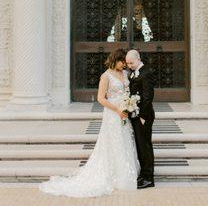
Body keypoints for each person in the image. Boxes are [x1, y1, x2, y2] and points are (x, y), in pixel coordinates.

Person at [39, 49, 140, 198]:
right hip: (113, 114)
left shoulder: (125, 74)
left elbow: (128, 91)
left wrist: (128, 105)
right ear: (115, 60)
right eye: (122, 62)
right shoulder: (106, 76)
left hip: (124, 112)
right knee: (114, 141)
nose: (124, 65)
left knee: (125, 140)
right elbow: (101, 98)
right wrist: (117, 109)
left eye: (125, 62)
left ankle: (126, 173)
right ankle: (115, 174)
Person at [126, 49, 155, 189]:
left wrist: (143, 116)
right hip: (135, 115)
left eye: (131, 63)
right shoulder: (133, 73)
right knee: (140, 147)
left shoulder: (146, 73)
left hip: (144, 116)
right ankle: (143, 175)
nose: (129, 65)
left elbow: (148, 97)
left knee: (145, 147)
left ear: (138, 59)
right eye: (127, 63)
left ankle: (149, 178)